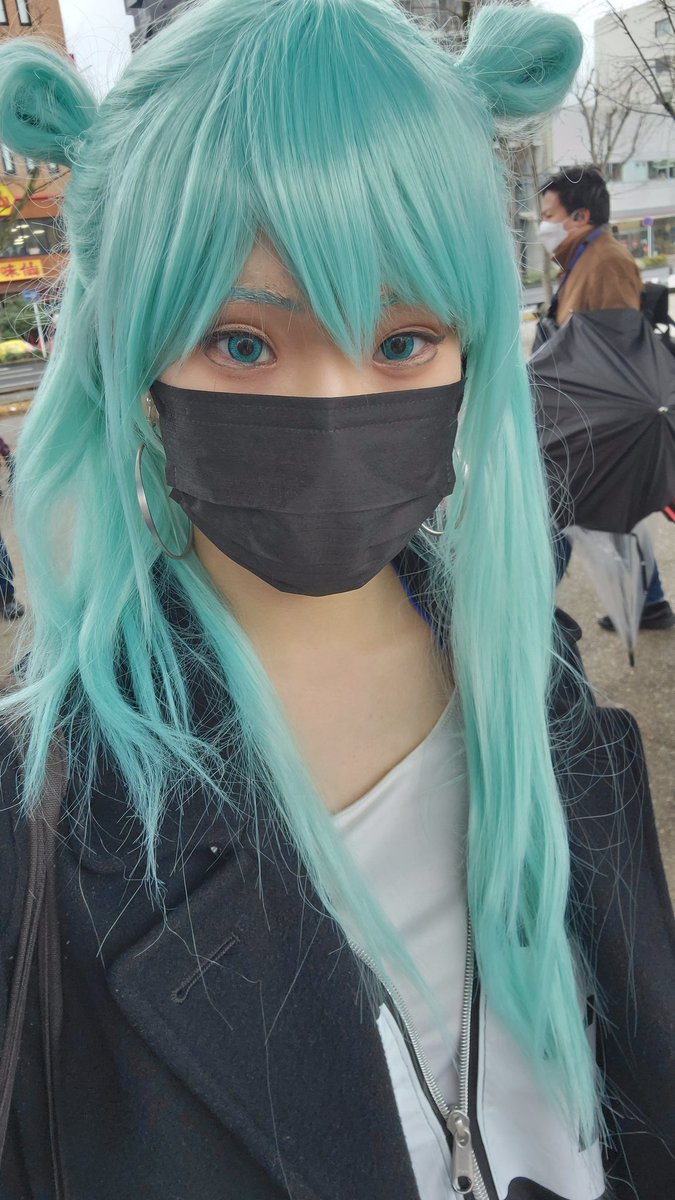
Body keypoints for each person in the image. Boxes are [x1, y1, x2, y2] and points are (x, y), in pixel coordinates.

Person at [0, 4, 672, 1199]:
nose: (332, 409)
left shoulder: (542, 686)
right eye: (242, 343)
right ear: (135, 364)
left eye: (404, 339)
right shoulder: (41, 816)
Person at [540, 166, 675, 630]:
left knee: (572, 512)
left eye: (549, 215)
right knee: (607, 514)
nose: (543, 225)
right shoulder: (582, 258)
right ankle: (650, 602)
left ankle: (533, 608)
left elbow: (618, 349)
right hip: (583, 412)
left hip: (598, 418)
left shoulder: (607, 261)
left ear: (579, 216)